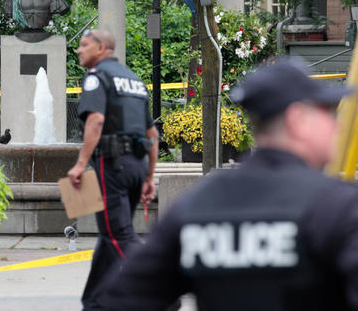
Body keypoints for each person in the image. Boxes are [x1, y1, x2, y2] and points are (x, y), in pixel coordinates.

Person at [98, 57, 358, 311]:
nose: (336, 125)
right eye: (327, 111)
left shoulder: (197, 205)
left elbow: (122, 298)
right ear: (297, 119)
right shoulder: (338, 206)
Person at [67, 28, 159, 311]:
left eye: (84, 45)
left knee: (118, 235)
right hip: (135, 164)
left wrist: (81, 164)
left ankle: (160, 289)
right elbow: (151, 132)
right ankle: (94, 302)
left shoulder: (98, 77)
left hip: (112, 164)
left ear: (102, 47)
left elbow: (95, 120)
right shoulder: (134, 80)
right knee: (111, 237)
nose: (79, 50)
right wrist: (148, 176)